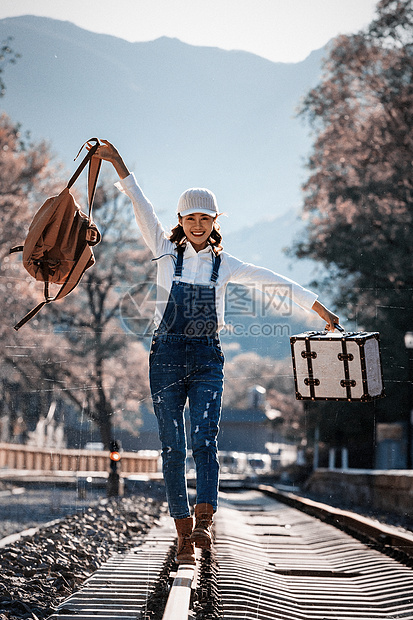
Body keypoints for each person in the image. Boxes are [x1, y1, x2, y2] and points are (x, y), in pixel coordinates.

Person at [90, 140, 339, 565]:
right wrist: (116, 161)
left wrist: (317, 309)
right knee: (172, 447)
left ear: (215, 221)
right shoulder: (164, 251)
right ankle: (183, 533)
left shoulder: (228, 265)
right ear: (181, 220)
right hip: (165, 357)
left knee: (205, 441)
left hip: (207, 359)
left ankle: (205, 521)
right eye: (191, 218)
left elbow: (273, 282)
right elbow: (139, 201)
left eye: (206, 218)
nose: (199, 224)